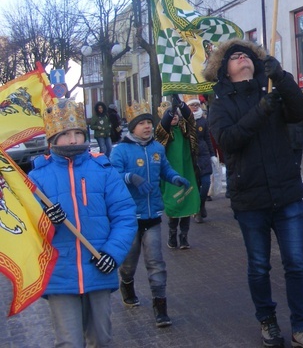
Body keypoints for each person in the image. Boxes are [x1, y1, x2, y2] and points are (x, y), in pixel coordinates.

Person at [203, 39, 303, 348]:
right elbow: (228, 140)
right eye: (233, 56)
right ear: (225, 71)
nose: (241, 56)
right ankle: (267, 320)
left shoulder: (272, 89)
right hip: (250, 198)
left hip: (285, 192)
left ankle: (302, 326)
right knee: (259, 264)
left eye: (245, 53)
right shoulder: (219, 103)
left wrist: (282, 77)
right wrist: (260, 111)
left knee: (296, 264)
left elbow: (300, 111)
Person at [30, 98, 137, 347]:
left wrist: (112, 252)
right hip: (59, 274)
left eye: (78, 132)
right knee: (69, 342)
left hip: (98, 267)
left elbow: (124, 215)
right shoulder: (37, 177)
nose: (73, 140)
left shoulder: (103, 170)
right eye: (66, 134)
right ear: (53, 137)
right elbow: (29, 228)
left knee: (101, 338)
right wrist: (47, 220)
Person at [110, 101, 191, 328]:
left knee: (156, 262)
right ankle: (126, 283)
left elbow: (164, 169)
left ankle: (160, 307)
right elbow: (112, 175)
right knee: (129, 262)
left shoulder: (157, 148)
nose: (147, 127)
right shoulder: (120, 150)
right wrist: (130, 178)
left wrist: (174, 178)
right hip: (129, 218)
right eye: (142, 123)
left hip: (153, 215)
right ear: (132, 126)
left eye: (149, 122)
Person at [155, 96, 201, 248]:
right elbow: (163, 126)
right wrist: (171, 111)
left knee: (188, 203)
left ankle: (184, 237)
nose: (174, 116)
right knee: (174, 205)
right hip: (170, 176)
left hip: (187, 172)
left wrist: (180, 104)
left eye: (176, 114)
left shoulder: (185, 129)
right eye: (171, 114)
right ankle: (172, 234)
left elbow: (190, 119)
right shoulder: (163, 134)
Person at [184, 95, 216, 223]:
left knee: (206, 184)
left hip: (203, 154)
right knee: (195, 185)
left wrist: (212, 154)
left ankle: (201, 204)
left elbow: (208, 138)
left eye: (196, 105)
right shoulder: (184, 120)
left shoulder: (203, 120)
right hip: (191, 156)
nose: (195, 107)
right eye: (192, 105)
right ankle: (197, 210)